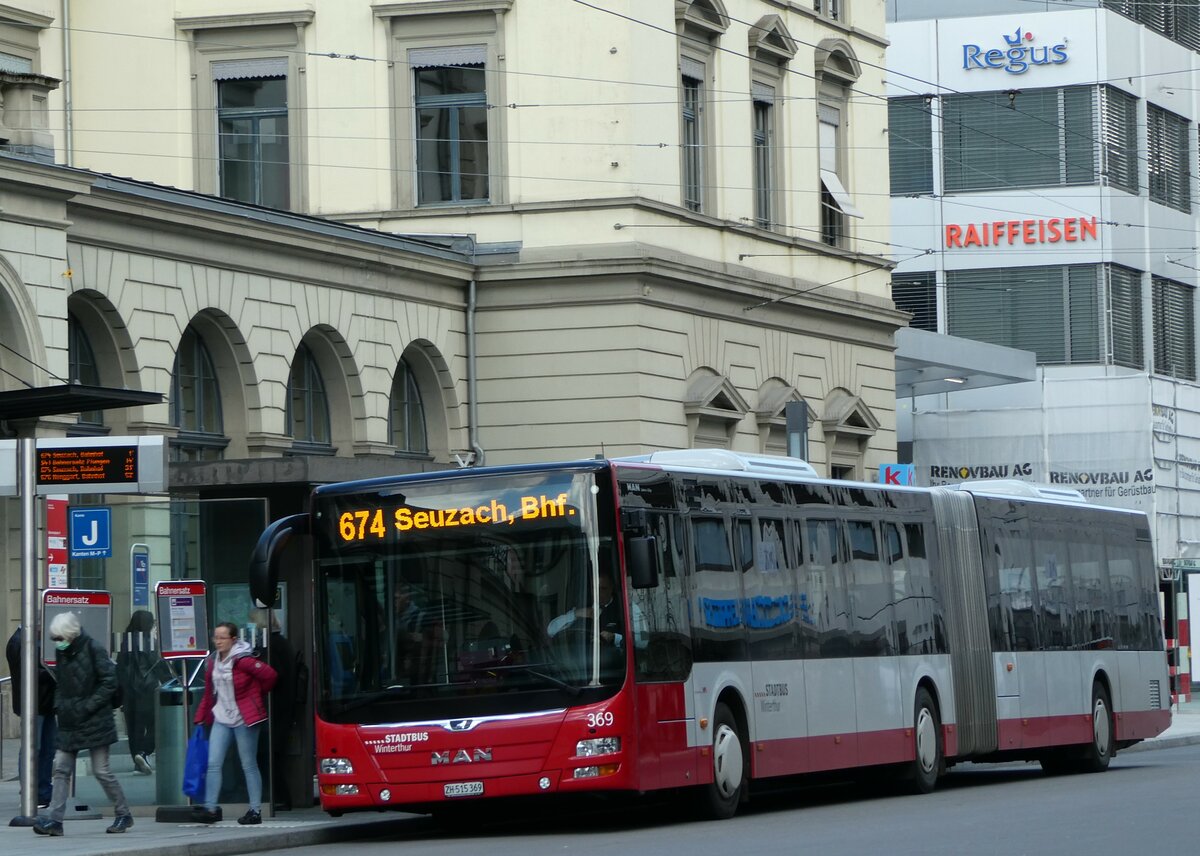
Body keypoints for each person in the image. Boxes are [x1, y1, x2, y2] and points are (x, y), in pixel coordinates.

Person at [33, 612, 133, 836]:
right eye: (55, 638)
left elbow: (109, 682)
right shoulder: (64, 653)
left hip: (96, 719)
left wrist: (87, 706)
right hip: (70, 719)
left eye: (60, 638)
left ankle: (123, 814)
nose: (58, 643)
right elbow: (61, 683)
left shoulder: (93, 648)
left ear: (70, 634)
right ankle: (55, 820)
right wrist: (60, 705)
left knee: (101, 770)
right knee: (61, 770)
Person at [192, 621, 278, 826]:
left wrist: (256, 696)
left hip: (244, 718)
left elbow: (270, 676)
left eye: (223, 637)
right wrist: (200, 716)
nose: (218, 641)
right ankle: (210, 809)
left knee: (248, 764)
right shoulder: (213, 661)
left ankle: (255, 810)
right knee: (213, 763)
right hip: (222, 716)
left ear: (233, 640)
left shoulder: (243, 660)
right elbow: (209, 692)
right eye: (216, 637)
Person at [250, 608, 297, 811]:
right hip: (283, 705)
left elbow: (273, 676)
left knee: (269, 755)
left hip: (275, 707)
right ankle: (279, 797)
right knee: (272, 754)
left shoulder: (271, 646)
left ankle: (280, 798)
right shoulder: (281, 643)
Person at [6, 625, 57, 809]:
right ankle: (30, 792)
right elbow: (27, 673)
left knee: (48, 749)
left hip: (46, 702)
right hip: (34, 703)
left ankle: (43, 792)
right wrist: (54, 672)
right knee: (32, 749)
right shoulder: (20, 641)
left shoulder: (32, 639)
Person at [116, 610, 171, 775]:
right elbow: (158, 665)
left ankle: (137, 761)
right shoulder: (147, 641)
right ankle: (144, 752)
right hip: (147, 690)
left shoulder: (125, 642)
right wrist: (171, 681)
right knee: (157, 725)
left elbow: (119, 668)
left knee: (134, 729)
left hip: (129, 693)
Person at [547, 571, 647, 651]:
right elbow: (551, 630)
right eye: (595, 588)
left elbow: (644, 640)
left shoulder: (627, 607)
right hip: (582, 664)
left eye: (603, 588)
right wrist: (575, 614)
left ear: (611, 588)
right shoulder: (582, 605)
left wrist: (614, 637)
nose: (598, 593)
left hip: (616, 666)